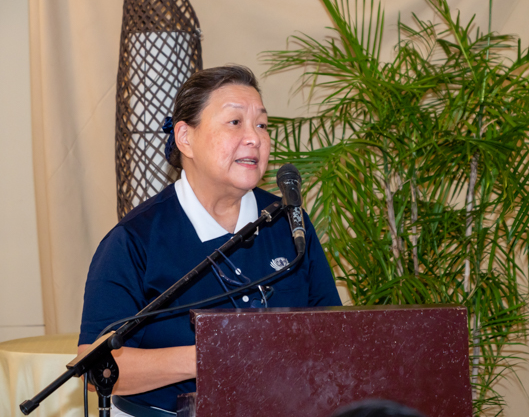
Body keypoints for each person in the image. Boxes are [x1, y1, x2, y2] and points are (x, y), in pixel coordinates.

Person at [78, 65, 342, 416]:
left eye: (262, 125)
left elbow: (335, 336)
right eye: (235, 122)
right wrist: (210, 356)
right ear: (185, 137)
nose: (255, 138)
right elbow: (94, 365)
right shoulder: (135, 239)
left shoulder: (289, 224)